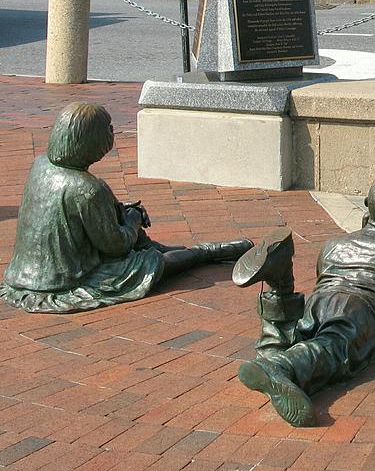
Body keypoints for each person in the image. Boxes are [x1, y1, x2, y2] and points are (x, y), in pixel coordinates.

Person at [235, 169, 375, 427]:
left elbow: (323, 275)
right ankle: (285, 366)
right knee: (334, 348)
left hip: (319, 300)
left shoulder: (333, 244)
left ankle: (280, 291)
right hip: (360, 311)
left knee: (297, 332)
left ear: (367, 203)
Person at [0, 102, 253, 314]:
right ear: (89, 140)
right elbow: (116, 245)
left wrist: (116, 211)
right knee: (150, 262)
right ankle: (205, 253)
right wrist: (132, 220)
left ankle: (188, 251)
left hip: (21, 275)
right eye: (107, 129)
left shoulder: (40, 165)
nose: (112, 132)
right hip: (61, 281)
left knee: (144, 244)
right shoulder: (88, 188)